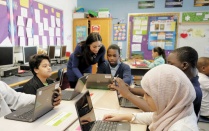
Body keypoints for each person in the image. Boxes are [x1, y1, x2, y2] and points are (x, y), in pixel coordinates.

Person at [103, 64, 198, 131]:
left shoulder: (181, 128)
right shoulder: (179, 109)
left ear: (164, 96)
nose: (144, 98)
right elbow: (154, 116)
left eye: (148, 94)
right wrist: (125, 116)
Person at [167, 46, 202, 117]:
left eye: (170, 64)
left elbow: (161, 112)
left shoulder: (191, 91)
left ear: (184, 65)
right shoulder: (184, 82)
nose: (167, 67)